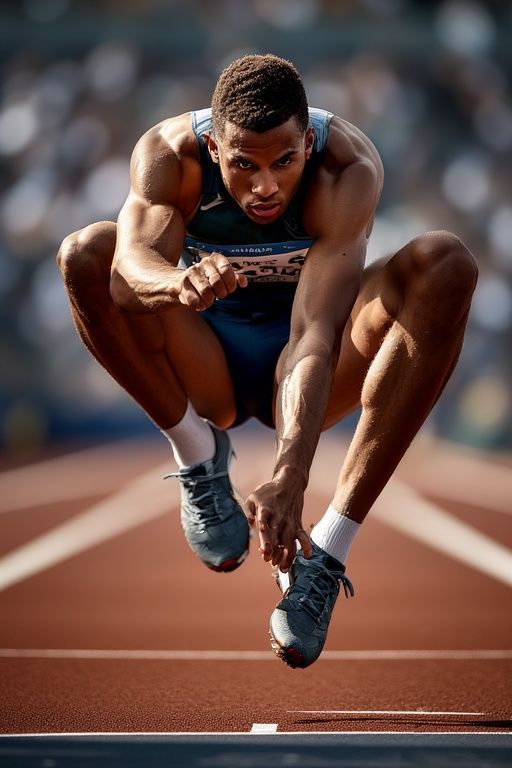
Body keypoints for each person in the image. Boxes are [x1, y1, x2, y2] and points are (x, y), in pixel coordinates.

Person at [57, 54, 478, 669]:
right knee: (85, 253)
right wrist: (176, 284)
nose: (266, 188)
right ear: (211, 146)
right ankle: (198, 456)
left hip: (311, 360)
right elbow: (124, 278)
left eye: (284, 161)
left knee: (447, 263)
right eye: (242, 166)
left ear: (308, 140)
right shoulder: (169, 156)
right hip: (207, 362)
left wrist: (292, 475)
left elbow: (313, 334)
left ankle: (327, 555)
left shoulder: (347, 167)